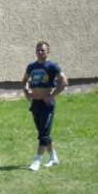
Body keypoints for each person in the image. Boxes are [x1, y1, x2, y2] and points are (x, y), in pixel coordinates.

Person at [22, 41, 68, 171]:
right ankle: (53, 157)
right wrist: (26, 91)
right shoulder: (31, 66)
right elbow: (25, 80)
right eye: (38, 50)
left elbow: (64, 81)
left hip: (47, 104)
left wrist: (52, 95)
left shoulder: (52, 66)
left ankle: (37, 161)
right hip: (35, 104)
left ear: (48, 52)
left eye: (43, 50)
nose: (40, 52)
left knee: (43, 133)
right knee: (43, 133)